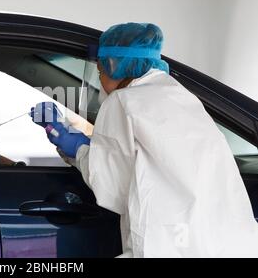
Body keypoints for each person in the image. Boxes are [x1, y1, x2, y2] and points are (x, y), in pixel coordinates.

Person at [31, 23, 258, 257]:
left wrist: (76, 149)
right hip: (230, 244)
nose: (99, 80)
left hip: (166, 245)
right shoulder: (180, 95)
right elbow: (155, 158)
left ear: (114, 64)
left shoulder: (122, 101)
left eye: (100, 72)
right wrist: (88, 147)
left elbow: (112, 188)